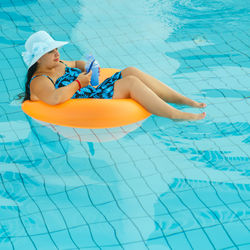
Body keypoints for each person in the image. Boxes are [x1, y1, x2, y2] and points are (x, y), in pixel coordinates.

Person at [22, 31, 206, 121]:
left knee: (131, 70)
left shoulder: (58, 64)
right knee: (131, 82)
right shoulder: (39, 81)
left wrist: (89, 67)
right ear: (38, 59)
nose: (57, 54)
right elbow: (54, 98)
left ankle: (181, 99)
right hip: (89, 99)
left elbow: (76, 64)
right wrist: (79, 83)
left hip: (91, 90)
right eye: (50, 52)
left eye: (56, 49)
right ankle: (175, 114)